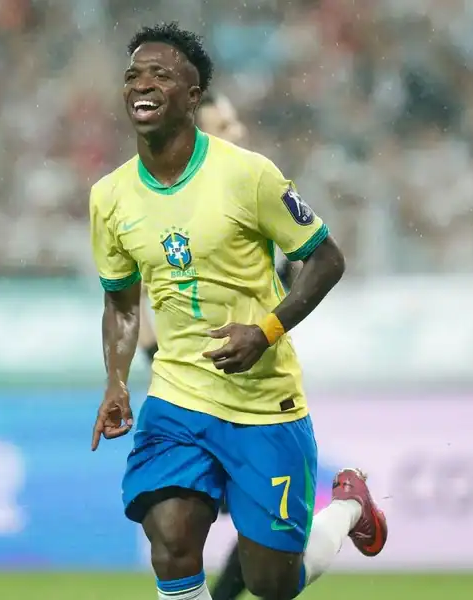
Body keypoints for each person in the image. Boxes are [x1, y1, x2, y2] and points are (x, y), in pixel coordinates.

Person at [89, 23, 387, 600]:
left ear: (193, 95)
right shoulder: (110, 197)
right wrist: (117, 381)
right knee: (171, 543)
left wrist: (265, 330)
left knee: (272, 583)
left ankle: (349, 506)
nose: (141, 84)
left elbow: (327, 258)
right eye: (132, 75)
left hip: (262, 403)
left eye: (159, 75)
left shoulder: (248, 175)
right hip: (177, 397)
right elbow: (122, 305)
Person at [137, 89, 293, 600]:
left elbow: (305, 270)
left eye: (236, 121)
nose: (239, 131)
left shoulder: (260, 193)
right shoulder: (162, 209)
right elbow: (138, 310)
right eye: (224, 125)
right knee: (179, 529)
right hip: (190, 404)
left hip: (257, 403)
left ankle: (346, 510)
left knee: (261, 545)